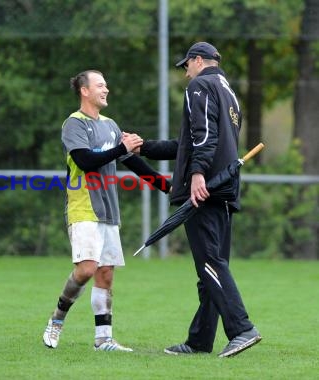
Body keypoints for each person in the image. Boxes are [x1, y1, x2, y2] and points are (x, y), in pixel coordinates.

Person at [137, 42, 261, 357]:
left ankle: (242, 329)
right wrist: (144, 148)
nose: (186, 72)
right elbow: (190, 142)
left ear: (197, 61)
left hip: (205, 189)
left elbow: (204, 136)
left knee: (210, 264)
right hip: (224, 189)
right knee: (211, 269)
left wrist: (197, 175)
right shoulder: (229, 93)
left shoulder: (200, 85)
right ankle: (200, 341)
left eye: (186, 66)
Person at [42, 70, 170, 351]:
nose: (106, 89)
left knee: (106, 274)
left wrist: (166, 186)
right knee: (86, 269)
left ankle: (104, 339)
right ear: (84, 91)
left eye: (106, 85)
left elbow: (132, 162)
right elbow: (86, 160)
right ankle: (57, 319)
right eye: (100, 85)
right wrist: (120, 147)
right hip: (84, 207)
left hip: (109, 209)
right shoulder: (73, 124)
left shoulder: (111, 125)